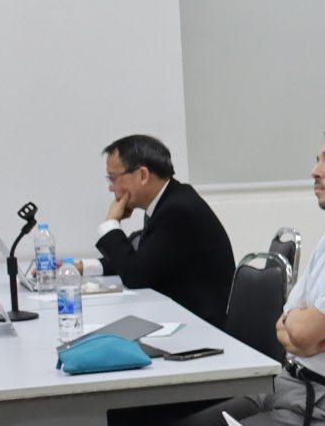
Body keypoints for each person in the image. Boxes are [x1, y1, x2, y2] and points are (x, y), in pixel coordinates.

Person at [176, 128, 325, 426]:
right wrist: (303, 335)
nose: (316, 171)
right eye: (318, 160)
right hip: (289, 384)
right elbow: (285, 325)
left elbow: (301, 331)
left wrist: (302, 332)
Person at [95, 133, 235, 328]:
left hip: (202, 327)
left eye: (113, 178)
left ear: (143, 175)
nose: (111, 188)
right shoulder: (170, 200)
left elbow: (136, 276)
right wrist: (86, 267)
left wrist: (110, 224)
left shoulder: (177, 211)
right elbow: (143, 261)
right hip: (181, 317)